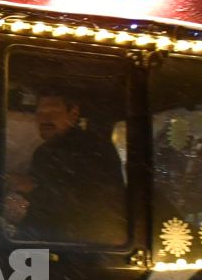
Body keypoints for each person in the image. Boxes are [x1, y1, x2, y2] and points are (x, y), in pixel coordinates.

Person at [7, 89, 127, 243]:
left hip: (80, 243)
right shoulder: (44, 151)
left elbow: (91, 202)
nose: (44, 119)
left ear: (73, 113)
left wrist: (30, 187)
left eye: (53, 112)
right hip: (53, 239)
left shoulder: (92, 148)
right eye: (40, 113)